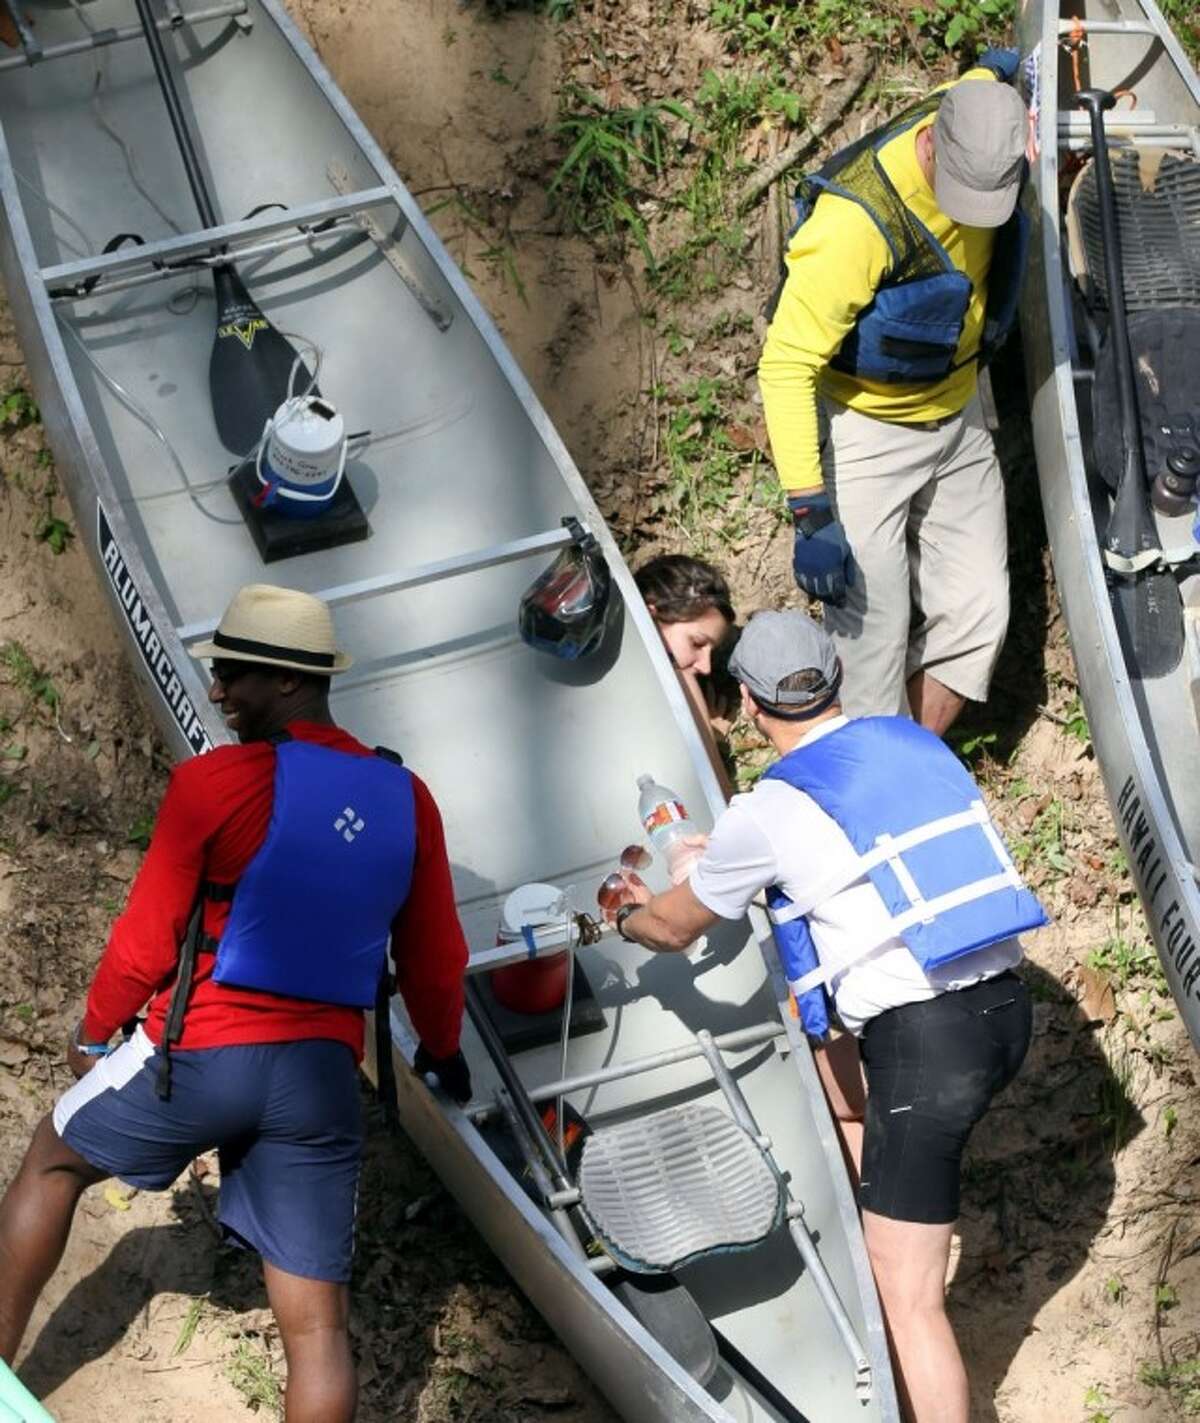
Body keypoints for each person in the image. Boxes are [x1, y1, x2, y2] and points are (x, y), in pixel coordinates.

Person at [0, 584, 470, 1423]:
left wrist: (95, 1028)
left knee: (53, 1158)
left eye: (234, 676)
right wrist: (444, 1047)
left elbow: (147, 939)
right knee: (319, 1327)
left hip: (200, 1056)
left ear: (290, 682)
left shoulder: (214, 784)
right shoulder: (408, 800)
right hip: (322, 1081)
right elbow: (435, 960)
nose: (219, 693)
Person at [603, 609, 1044, 1423]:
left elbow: (672, 926)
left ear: (747, 699)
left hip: (926, 1046)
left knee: (907, 1297)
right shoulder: (914, 741)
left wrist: (626, 914)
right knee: (841, 1088)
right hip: (1007, 1009)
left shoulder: (766, 809)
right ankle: (879, 1207)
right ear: (836, 678)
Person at [758, 52, 1030, 736]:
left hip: (959, 409)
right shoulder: (855, 224)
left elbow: (993, 77)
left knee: (978, 617)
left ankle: (912, 757)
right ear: (932, 139)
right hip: (867, 427)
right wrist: (810, 512)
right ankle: (871, 794)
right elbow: (785, 364)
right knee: (870, 655)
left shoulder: (981, 105)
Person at [635, 554, 737, 795]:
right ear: (651, 615)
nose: (705, 667)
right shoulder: (679, 674)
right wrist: (711, 736)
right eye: (697, 643)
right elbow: (720, 800)